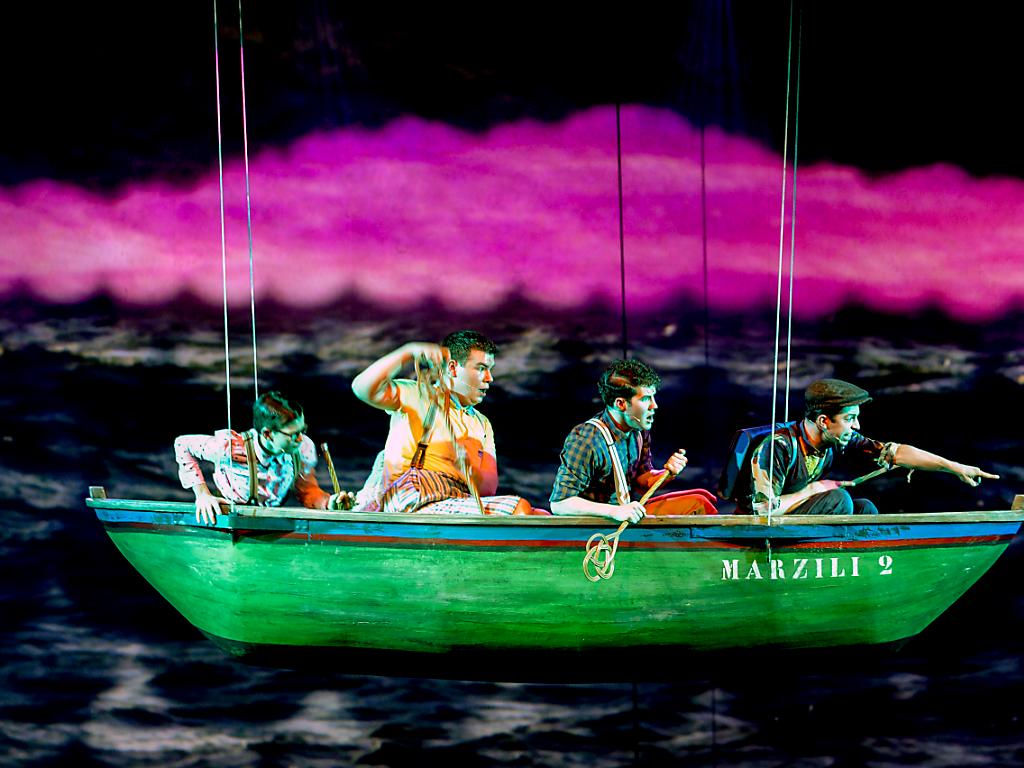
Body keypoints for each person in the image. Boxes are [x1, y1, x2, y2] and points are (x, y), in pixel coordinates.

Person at [743, 378, 998, 515]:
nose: (856, 426)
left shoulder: (837, 438)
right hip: (762, 535)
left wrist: (954, 467)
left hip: (792, 521)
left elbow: (896, 453)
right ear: (823, 421)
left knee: (864, 508)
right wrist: (813, 489)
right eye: (849, 419)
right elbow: (763, 512)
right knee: (838, 500)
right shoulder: (777, 448)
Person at [351, 330, 533, 515]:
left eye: (490, 369)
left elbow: (487, 488)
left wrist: (465, 463)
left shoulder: (482, 423)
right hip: (411, 497)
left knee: (538, 514)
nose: (489, 378)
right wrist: (407, 351)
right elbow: (362, 388)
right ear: (453, 368)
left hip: (455, 498)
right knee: (520, 509)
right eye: (481, 368)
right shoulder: (419, 394)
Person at [549, 359, 717, 522]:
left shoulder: (639, 430)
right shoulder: (587, 440)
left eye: (653, 397)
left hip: (625, 514)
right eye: (645, 399)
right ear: (621, 404)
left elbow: (641, 481)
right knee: (698, 504)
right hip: (599, 525)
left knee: (702, 499)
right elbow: (559, 504)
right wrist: (614, 511)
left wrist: (667, 473)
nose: (654, 406)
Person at [174, 391, 353, 524]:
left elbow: (307, 492)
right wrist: (202, 494)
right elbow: (182, 444)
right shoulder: (230, 448)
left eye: (302, 430)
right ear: (268, 434)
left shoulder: (302, 448)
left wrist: (328, 503)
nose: (300, 439)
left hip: (268, 523)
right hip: (228, 519)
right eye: (292, 434)